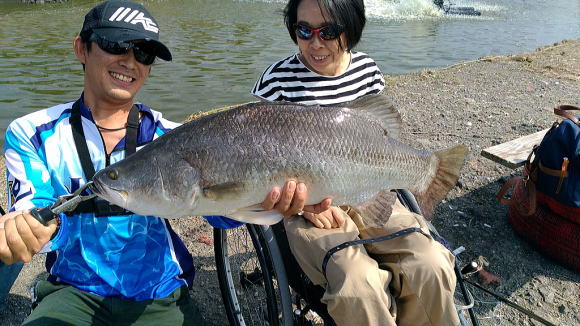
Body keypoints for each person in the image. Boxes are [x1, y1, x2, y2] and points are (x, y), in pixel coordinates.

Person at [0, 1, 322, 324]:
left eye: (144, 53)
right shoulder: (31, 134)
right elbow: (33, 210)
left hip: (161, 295)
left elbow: (220, 215)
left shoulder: (172, 136)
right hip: (72, 294)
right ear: (81, 48)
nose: (129, 61)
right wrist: (24, 232)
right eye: (116, 45)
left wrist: (261, 200)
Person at [252, 0, 460, 325]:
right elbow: (261, 160)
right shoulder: (276, 80)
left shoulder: (367, 69)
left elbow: (380, 135)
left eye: (329, 31)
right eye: (303, 30)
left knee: (431, 263)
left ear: (351, 29)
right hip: (310, 209)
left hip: (369, 192)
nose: (315, 43)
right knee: (358, 281)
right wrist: (305, 205)